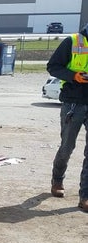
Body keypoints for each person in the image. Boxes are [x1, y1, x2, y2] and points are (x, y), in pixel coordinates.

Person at [47, 22, 88, 211]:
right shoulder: (73, 41)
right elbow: (53, 67)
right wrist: (74, 76)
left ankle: (85, 196)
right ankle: (57, 180)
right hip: (74, 102)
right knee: (67, 147)